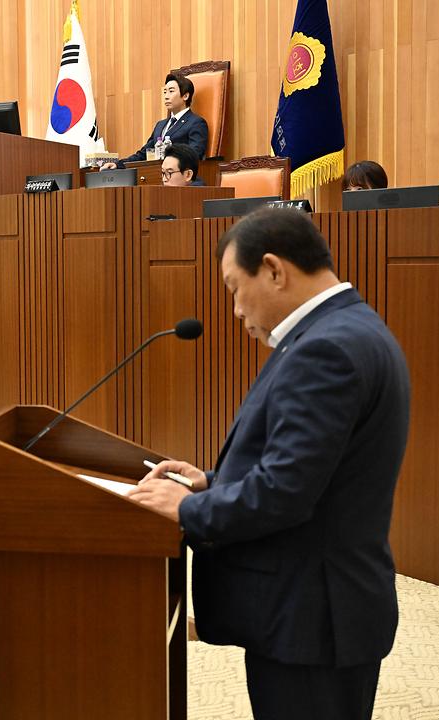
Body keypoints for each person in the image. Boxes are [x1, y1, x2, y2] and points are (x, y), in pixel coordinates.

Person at [129, 208, 410, 720]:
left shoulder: (326, 350)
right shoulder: (348, 328)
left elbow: (286, 491)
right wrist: (211, 483)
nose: (235, 309)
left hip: (310, 614)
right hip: (322, 604)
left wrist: (188, 510)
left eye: (236, 288)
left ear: (275, 270)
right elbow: (318, 472)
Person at [103, 74, 209, 169]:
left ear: (185, 96)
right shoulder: (161, 125)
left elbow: (195, 155)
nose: (166, 96)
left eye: (171, 91)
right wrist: (118, 164)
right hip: (155, 172)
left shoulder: (196, 123)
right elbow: (144, 153)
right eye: (165, 92)